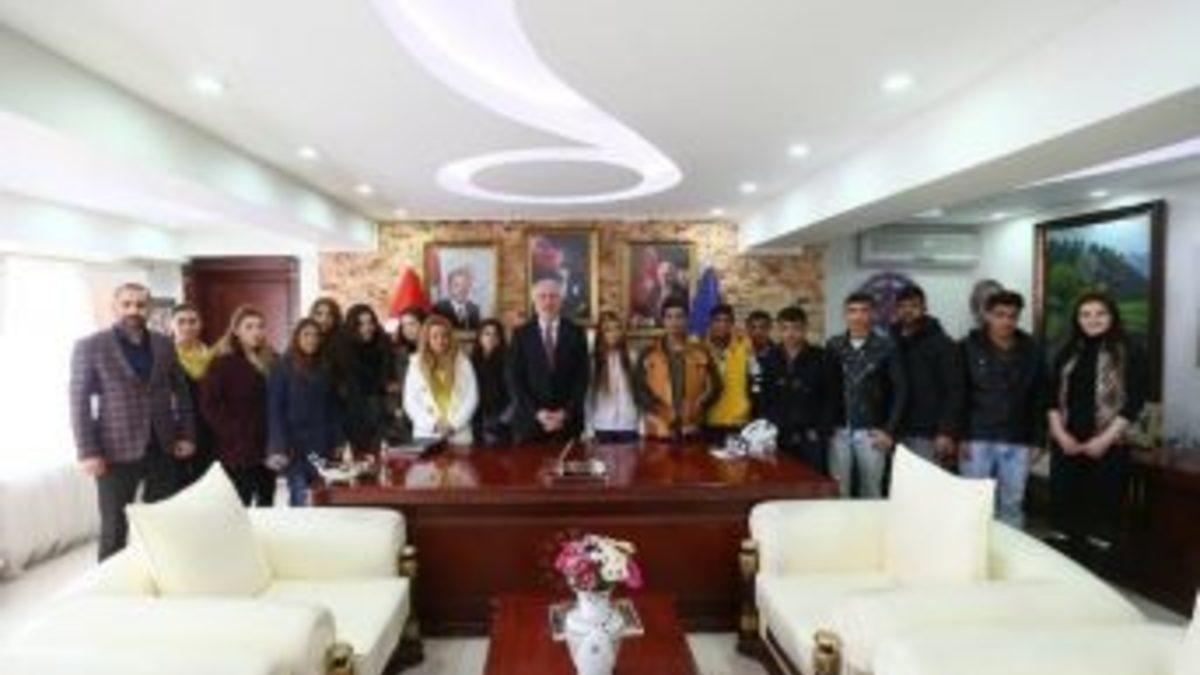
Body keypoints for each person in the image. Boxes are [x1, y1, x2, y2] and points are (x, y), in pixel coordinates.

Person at [70, 283, 196, 560]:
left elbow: (182, 392)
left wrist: (186, 435)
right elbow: (79, 403)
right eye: (126, 304)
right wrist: (88, 452)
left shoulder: (164, 344)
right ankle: (110, 585)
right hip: (114, 449)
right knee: (115, 527)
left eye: (140, 305)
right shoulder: (91, 346)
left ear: (149, 309)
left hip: (162, 446)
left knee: (163, 522)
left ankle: (161, 575)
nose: (133, 310)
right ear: (114, 308)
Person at [1048, 292, 1146, 565]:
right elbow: (1049, 396)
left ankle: (1098, 576)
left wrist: (1104, 440)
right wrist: (1060, 435)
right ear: (1077, 319)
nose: (1093, 320)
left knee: (1101, 522)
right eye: (1085, 314)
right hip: (1068, 444)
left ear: (1112, 316)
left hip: (1109, 445)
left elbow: (1135, 401)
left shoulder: (1130, 350)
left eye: (1100, 313)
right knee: (1065, 519)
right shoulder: (1067, 350)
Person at [959, 290, 1049, 527]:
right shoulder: (967, 347)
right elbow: (958, 394)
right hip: (977, 436)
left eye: (1012, 316)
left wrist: (1040, 439)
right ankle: (973, 550)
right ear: (987, 315)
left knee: (1012, 504)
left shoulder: (1032, 350)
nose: (1006, 321)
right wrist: (959, 434)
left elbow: (1040, 397)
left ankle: (1009, 549)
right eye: (1000, 315)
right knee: (974, 504)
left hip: (1018, 438)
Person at [826, 292, 908, 497]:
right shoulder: (834, 345)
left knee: (871, 490)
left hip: (872, 430)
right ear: (845, 315)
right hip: (839, 430)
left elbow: (900, 390)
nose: (858, 316)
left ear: (873, 314)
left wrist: (889, 430)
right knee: (838, 490)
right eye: (852, 311)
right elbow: (825, 387)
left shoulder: (886, 346)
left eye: (864, 311)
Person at [201, 305, 277, 506]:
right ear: (236, 330)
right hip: (236, 449)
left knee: (266, 501)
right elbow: (210, 405)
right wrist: (234, 433)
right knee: (240, 503)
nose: (256, 332)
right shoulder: (222, 363)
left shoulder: (272, 360)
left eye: (260, 326)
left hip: (267, 445)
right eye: (249, 327)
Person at [268, 319, 344, 506]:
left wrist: (338, 440)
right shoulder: (282, 366)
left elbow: (333, 408)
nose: (312, 340)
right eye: (306, 335)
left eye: (316, 335)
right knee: (299, 494)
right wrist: (278, 446)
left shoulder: (325, 366)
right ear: (297, 337)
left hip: (322, 444)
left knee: (321, 495)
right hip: (295, 446)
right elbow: (275, 410)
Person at [506, 278, 590, 443]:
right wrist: (537, 413)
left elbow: (582, 378)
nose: (548, 302)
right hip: (530, 423)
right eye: (542, 296)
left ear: (561, 300)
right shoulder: (520, 335)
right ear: (534, 301)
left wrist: (564, 413)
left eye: (553, 296)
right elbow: (514, 379)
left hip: (567, 423)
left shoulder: (576, 333)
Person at [891, 284, 963, 466]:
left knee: (925, 481)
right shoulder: (890, 341)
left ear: (924, 308)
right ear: (896, 310)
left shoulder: (942, 344)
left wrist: (946, 431)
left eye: (914, 306)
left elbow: (955, 391)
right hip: (894, 430)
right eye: (903, 306)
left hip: (928, 433)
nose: (908, 311)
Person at [759, 306, 838, 472]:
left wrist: (822, 430)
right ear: (779, 330)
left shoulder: (822, 357)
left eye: (796, 328)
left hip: (811, 436)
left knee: (812, 481)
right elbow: (765, 397)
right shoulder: (769, 358)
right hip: (778, 435)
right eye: (785, 328)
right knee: (780, 479)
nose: (790, 334)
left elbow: (832, 397)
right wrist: (768, 426)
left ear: (805, 329)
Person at [635, 297, 721, 441]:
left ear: (687, 320)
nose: (674, 322)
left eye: (679, 316)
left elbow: (716, 386)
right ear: (663, 320)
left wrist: (699, 406)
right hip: (659, 430)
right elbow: (639, 389)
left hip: (692, 428)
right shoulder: (649, 353)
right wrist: (657, 412)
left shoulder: (701, 352)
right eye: (669, 317)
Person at [404, 314, 479, 445]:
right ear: (427, 339)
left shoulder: (463, 362)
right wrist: (433, 424)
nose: (440, 340)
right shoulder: (415, 364)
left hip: (458, 433)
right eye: (435, 336)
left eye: (444, 336)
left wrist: (454, 425)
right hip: (427, 434)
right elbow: (410, 401)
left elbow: (472, 397)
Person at [337, 304, 396, 454]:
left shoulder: (384, 344)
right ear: (352, 326)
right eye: (361, 324)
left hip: (382, 418)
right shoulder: (341, 349)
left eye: (370, 322)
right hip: (352, 419)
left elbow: (390, 383)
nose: (367, 328)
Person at [170, 303, 215, 488]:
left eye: (192, 321)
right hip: (177, 432)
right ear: (171, 325)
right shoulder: (164, 356)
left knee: (207, 487)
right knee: (179, 488)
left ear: (200, 324)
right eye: (181, 322)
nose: (187, 326)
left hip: (210, 431)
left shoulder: (213, 357)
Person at [587, 311, 640, 444]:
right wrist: (588, 429)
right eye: (608, 330)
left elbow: (639, 394)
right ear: (601, 334)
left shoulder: (632, 357)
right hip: (602, 426)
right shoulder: (594, 361)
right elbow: (588, 397)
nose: (614, 333)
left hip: (628, 425)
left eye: (617, 328)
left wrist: (641, 425)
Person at [704, 304, 754, 441]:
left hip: (738, 420)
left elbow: (755, 378)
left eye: (727, 321)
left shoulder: (745, 346)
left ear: (732, 324)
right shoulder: (701, 349)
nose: (722, 325)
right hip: (709, 420)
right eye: (718, 320)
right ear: (710, 323)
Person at [386, 307, 426, 445]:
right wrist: (395, 409)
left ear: (424, 324)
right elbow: (391, 385)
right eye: (404, 325)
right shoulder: (396, 353)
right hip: (403, 416)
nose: (408, 329)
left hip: (431, 414)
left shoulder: (435, 350)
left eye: (412, 324)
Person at [472, 318, 511, 446]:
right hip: (476, 418)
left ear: (500, 339)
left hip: (500, 419)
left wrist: (502, 420)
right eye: (487, 333)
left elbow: (515, 394)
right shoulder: (472, 361)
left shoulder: (508, 361)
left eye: (495, 334)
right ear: (480, 337)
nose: (490, 338)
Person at [745, 309, 774, 415]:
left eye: (762, 327)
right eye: (753, 327)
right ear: (747, 329)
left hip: (769, 413)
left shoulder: (779, 356)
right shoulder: (740, 355)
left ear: (769, 328)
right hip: (743, 414)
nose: (758, 332)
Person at [308, 297, 343, 367]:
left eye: (329, 315)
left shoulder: (342, 342)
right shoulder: (304, 338)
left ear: (336, 318)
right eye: (319, 314)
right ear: (312, 316)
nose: (324, 319)